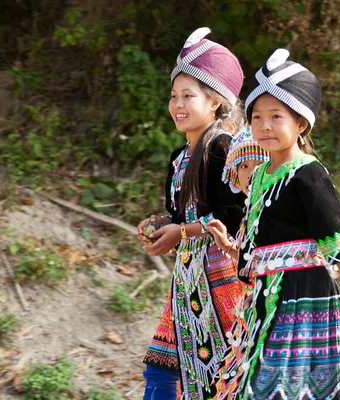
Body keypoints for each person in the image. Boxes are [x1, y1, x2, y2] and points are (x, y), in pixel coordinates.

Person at [214, 49, 340, 400]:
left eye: (276, 116)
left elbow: (337, 238)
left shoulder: (309, 173)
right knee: (251, 384)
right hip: (262, 298)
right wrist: (236, 249)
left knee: (281, 388)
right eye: (257, 117)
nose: (265, 126)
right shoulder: (258, 177)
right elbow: (261, 234)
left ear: (301, 123)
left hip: (303, 299)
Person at [137, 27, 247, 400]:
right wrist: (160, 224)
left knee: (213, 378)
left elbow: (232, 214)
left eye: (188, 95)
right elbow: (181, 214)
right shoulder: (179, 157)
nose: (177, 104)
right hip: (187, 284)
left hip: (223, 283)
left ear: (214, 102)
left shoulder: (225, 149)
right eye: (173, 96)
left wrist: (182, 232)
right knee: (163, 370)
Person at [206, 125, 270, 259]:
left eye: (260, 164)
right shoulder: (248, 214)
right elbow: (253, 262)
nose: (251, 174)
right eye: (244, 166)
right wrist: (225, 245)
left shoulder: (287, 203)